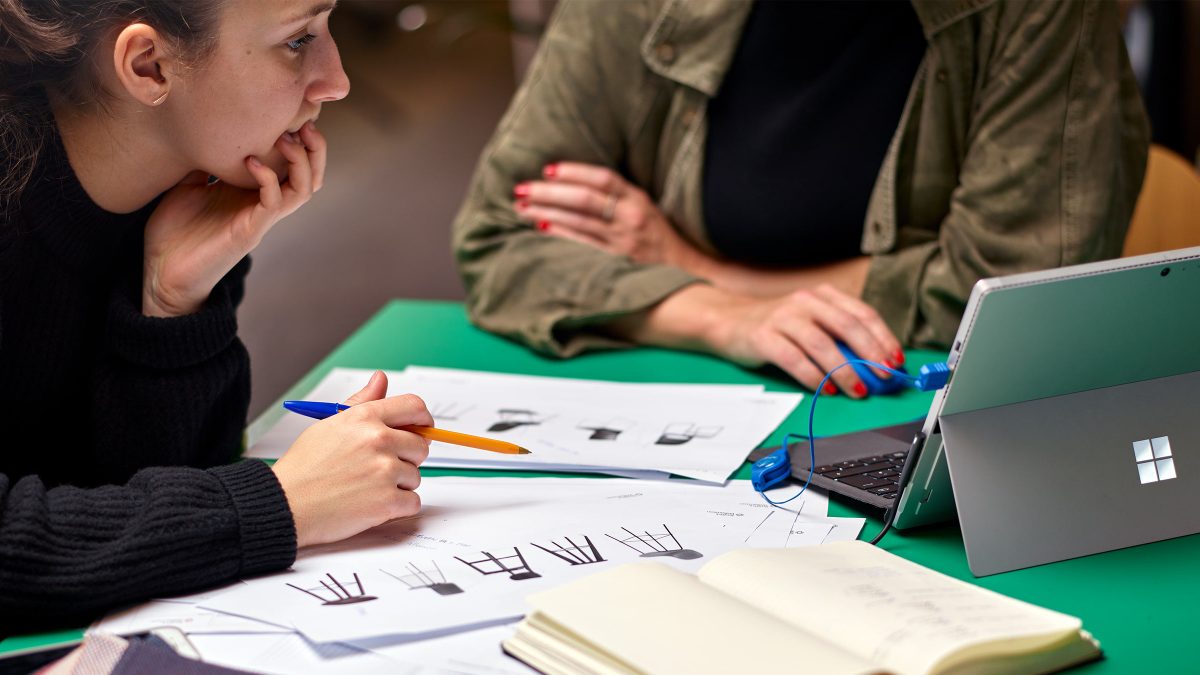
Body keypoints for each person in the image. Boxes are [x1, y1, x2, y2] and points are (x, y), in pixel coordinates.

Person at [453, 0, 1150, 398]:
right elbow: (500, 237)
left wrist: (703, 271)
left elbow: (1016, 297)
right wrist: (723, 316)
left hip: (924, 403)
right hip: (697, 409)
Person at [0, 0, 432, 633]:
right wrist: (280, 505)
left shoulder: (190, 194)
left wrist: (173, 304)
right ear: (148, 66)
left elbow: (144, 494)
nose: (337, 80)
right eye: (297, 40)